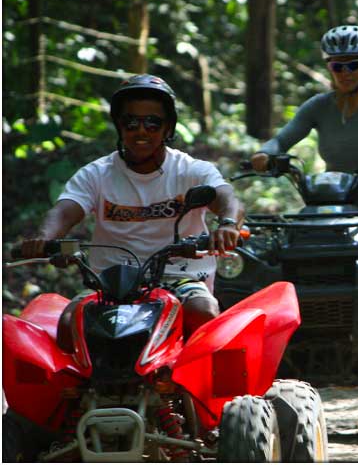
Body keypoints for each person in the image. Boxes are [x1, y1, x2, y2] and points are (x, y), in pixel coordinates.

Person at [20, 74, 244, 348]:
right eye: (131, 122)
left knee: (203, 312)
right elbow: (66, 210)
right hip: (110, 283)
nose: (141, 130)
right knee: (69, 324)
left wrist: (228, 224)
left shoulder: (190, 170)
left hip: (179, 277)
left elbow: (225, 196)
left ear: (167, 128)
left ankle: (200, 389)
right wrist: (44, 238)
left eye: (152, 122)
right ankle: (75, 391)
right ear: (119, 126)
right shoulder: (97, 174)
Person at [250, 25, 358, 206]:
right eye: (337, 66)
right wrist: (264, 153)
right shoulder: (317, 106)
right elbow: (281, 141)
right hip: (329, 198)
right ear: (329, 67)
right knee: (301, 231)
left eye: (353, 65)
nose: (346, 73)